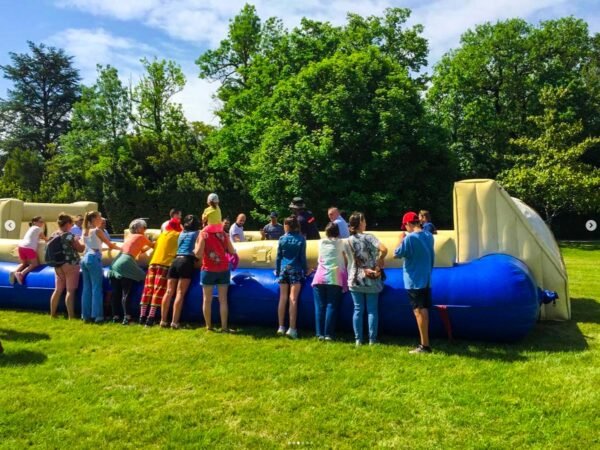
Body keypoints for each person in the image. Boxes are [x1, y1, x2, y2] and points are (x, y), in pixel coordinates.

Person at [344, 212, 388, 346]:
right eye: (364, 221)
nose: (366, 223)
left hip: (354, 278)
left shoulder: (347, 241)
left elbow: (348, 261)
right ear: (360, 223)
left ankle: (358, 340)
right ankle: (372, 340)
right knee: (372, 310)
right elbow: (384, 249)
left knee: (358, 310)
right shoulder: (369, 237)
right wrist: (380, 259)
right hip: (370, 278)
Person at [394, 211, 435, 354]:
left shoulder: (409, 238)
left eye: (404, 226)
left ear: (408, 224)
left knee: (418, 311)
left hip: (413, 280)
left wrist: (400, 239)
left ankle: (424, 345)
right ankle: (425, 342)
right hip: (426, 278)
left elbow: (396, 253)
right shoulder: (429, 235)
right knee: (424, 309)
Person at [109, 219, 154, 325]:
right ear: (138, 228)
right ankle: (127, 317)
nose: (145, 230)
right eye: (144, 227)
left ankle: (116, 316)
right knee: (128, 291)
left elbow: (141, 250)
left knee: (116, 292)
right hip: (126, 262)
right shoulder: (141, 237)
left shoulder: (130, 237)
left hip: (116, 261)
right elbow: (152, 245)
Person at [161, 215, 201, 329]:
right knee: (180, 293)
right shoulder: (197, 233)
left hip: (175, 261)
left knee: (168, 291)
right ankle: (174, 322)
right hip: (186, 261)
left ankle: (163, 321)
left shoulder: (181, 233)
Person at [139, 219, 181, 327]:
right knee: (158, 290)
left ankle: (142, 316)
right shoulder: (178, 235)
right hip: (165, 264)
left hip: (153, 263)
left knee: (148, 289)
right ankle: (151, 318)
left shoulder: (161, 236)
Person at [197, 223, 237, 332]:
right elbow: (232, 251)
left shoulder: (203, 234)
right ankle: (224, 327)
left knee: (207, 300)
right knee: (223, 300)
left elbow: (198, 254)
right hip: (223, 269)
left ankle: (208, 326)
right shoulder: (223, 234)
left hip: (208, 270)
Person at [81, 211, 120, 323]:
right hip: (94, 258)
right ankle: (98, 316)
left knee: (87, 288)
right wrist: (121, 249)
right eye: (99, 217)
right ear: (93, 219)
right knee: (97, 288)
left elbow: (88, 246)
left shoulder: (85, 231)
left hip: (85, 259)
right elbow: (110, 244)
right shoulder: (97, 231)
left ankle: (86, 315)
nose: (101, 219)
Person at [275, 216, 311, 339]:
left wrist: (278, 270)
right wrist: (306, 270)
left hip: (284, 270)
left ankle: (280, 326)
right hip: (295, 270)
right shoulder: (301, 239)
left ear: (287, 226)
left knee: (283, 297)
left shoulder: (282, 239)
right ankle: (292, 328)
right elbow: (302, 258)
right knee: (293, 299)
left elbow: (278, 257)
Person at [311, 222, 348, 341]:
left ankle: (319, 333)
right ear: (338, 232)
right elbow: (346, 259)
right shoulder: (342, 243)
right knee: (331, 306)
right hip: (334, 277)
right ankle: (328, 334)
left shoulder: (321, 243)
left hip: (319, 277)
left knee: (319, 307)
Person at [49, 213, 85, 319]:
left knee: (58, 290)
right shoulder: (69, 235)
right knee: (70, 291)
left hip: (58, 265)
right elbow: (80, 249)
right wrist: (81, 240)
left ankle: (53, 314)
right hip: (70, 265)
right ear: (68, 223)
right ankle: (71, 316)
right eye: (71, 223)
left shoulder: (54, 234)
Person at [11, 216, 47, 285]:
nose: (42, 223)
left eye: (43, 222)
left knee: (24, 263)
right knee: (35, 264)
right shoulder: (38, 228)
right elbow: (44, 238)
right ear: (34, 222)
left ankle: (15, 272)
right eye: (40, 222)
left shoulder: (31, 228)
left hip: (21, 246)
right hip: (29, 248)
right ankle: (21, 274)